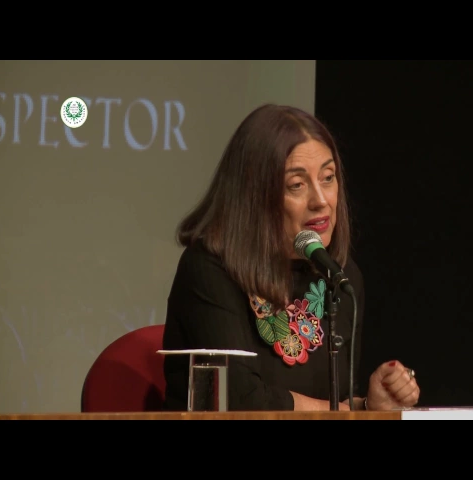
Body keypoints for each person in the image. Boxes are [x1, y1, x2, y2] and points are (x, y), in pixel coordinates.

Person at [162, 103, 420, 411]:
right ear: (254, 195)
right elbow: (238, 398)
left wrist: (369, 407)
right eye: (296, 185)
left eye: (328, 177)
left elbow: (336, 400)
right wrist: (341, 413)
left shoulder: (340, 276)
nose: (321, 200)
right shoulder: (210, 269)